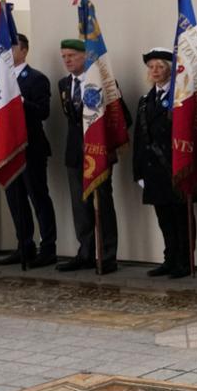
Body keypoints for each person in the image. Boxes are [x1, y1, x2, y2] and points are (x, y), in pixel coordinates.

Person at [57, 39, 126, 273]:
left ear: (85, 57)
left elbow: (121, 117)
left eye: (72, 56)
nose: (67, 60)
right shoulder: (64, 84)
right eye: (64, 56)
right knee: (80, 206)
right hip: (75, 154)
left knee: (102, 204)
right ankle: (85, 252)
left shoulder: (103, 83)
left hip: (98, 152)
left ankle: (107, 255)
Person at [0, 34, 58, 268]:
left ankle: (48, 247)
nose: (9, 55)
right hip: (8, 148)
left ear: (24, 51)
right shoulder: (1, 80)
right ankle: (24, 245)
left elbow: (43, 112)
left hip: (31, 148)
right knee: (15, 199)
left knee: (38, 196)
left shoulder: (36, 79)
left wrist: (19, 101)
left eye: (13, 49)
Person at [132, 49, 193, 278]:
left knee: (181, 218)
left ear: (170, 69)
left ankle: (184, 261)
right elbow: (139, 138)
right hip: (154, 171)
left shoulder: (180, 99)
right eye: (151, 67)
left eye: (160, 66)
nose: (155, 71)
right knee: (164, 218)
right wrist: (138, 172)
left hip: (176, 167)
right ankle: (169, 259)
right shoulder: (146, 100)